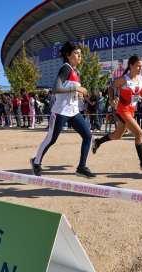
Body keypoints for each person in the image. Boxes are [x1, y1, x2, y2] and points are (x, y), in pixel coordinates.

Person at [31, 41, 94, 178]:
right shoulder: (65, 68)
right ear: (68, 55)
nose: (79, 56)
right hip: (60, 111)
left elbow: (71, 92)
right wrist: (76, 88)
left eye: (80, 54)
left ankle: (81, 167)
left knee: (88, 136)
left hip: (73, 111)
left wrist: (83, 95)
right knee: (51, 139)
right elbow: (56, 89)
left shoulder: (75, 71)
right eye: (76, 53)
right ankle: (36, 162)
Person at [92, 54, 142, 170]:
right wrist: (111, 99)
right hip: (122, 109)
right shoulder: (124, 79)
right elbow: (111, 87)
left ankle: (97, 142)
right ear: (131, 66)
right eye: (138, 66)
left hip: (131, 110)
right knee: (140, 133)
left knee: (117, 135)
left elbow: (138, 96)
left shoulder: (141, 79)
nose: (140, 68)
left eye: (141, 66)